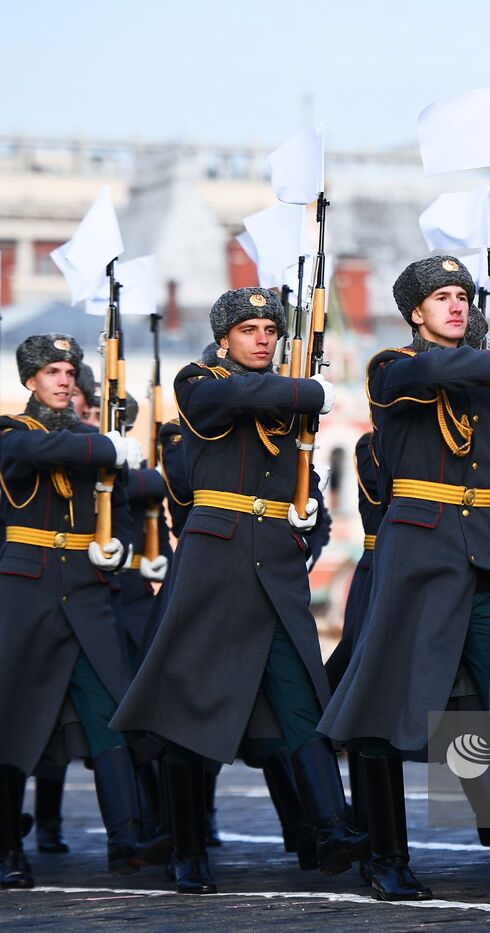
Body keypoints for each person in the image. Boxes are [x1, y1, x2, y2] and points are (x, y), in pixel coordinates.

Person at [319, 256, 490, 899]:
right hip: (417, 550)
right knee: (387, 704)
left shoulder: (487, 382)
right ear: (414, 312)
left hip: (482, 551)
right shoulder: (393, 368)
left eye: (464, 297)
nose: (456, 307)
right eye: (441, 297)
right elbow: (438, 369)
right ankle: (386, 854)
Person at [112, 288, 365, 895]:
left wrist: (305, 531)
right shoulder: (200, 381)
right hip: (215, 560)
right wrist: (312, 390)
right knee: (188, 711)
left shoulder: (286, 401)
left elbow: (306, 493)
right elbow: (229, 397)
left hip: (274, 565)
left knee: (302, 698)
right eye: (247, 329)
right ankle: (190, 848)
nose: (261, 339)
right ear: (223, 338)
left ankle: (332, 825)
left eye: (270, 330)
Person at [0, 334, 167, 888]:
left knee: (110, 713)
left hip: (87, 591)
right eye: (52, 371)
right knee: (9, 720)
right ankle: (6, 850)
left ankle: (127, 839)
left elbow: (122, 502)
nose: (64, 379)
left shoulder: (91, 440)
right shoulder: (13, 430)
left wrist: (119, 543)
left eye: (70, 370)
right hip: (27, 594)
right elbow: (40, 454)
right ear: (30, 381)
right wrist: (108, 449)